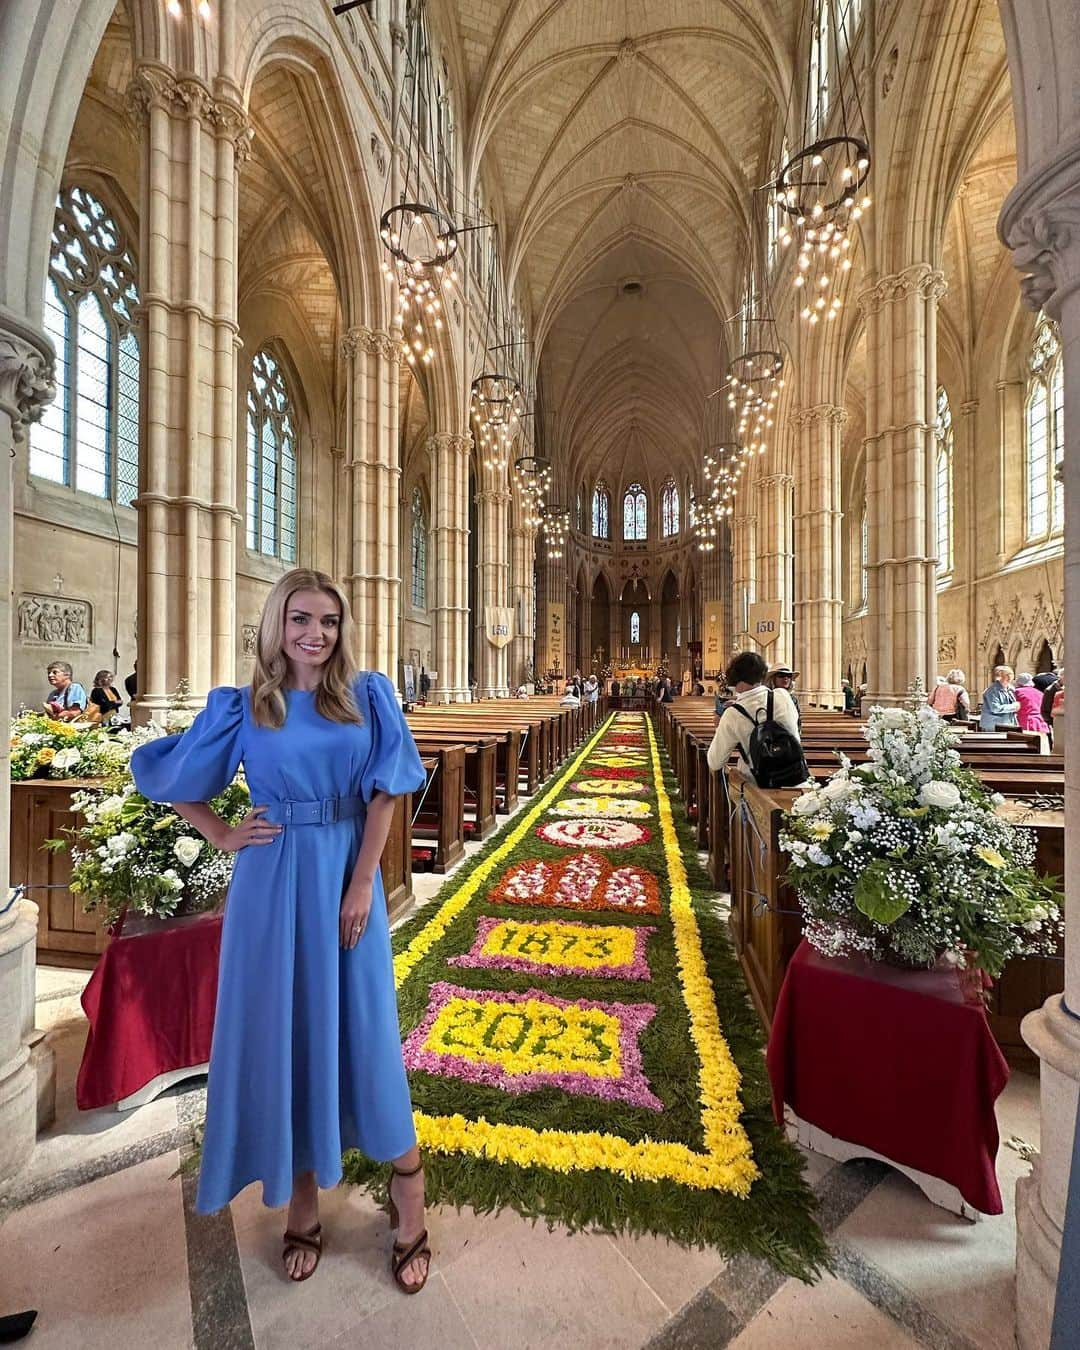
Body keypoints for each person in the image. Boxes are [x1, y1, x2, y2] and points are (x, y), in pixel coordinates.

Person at [130, 568, 431, 1292]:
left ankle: (409, 1187)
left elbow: (388, 791)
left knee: (362, 1027)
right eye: (301, 619)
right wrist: (225, 835)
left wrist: (362, 882)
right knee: (286, 1033)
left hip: (341, 877)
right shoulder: (246, 706)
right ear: (276, 624)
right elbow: (173, 780)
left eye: (329, 621)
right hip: (269, 886)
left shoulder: (367, 695)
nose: (315, 634)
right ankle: (302, 1197)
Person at [707, 651, 805, 783]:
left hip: (758, 788)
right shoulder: (783, 696)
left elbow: (715, 762)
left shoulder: (733, 714)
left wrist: (720, 726)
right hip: (795, 778)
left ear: (735, 678)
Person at [980, 664, 1021, 731]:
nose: (1009, 677)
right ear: (999, 676)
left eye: (1011, 674)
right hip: (994, 725)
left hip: (1007, 724)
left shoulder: (1010, 689)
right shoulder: (992, 690)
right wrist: (1013, 707)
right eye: (1006, 675)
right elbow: (995, 708)